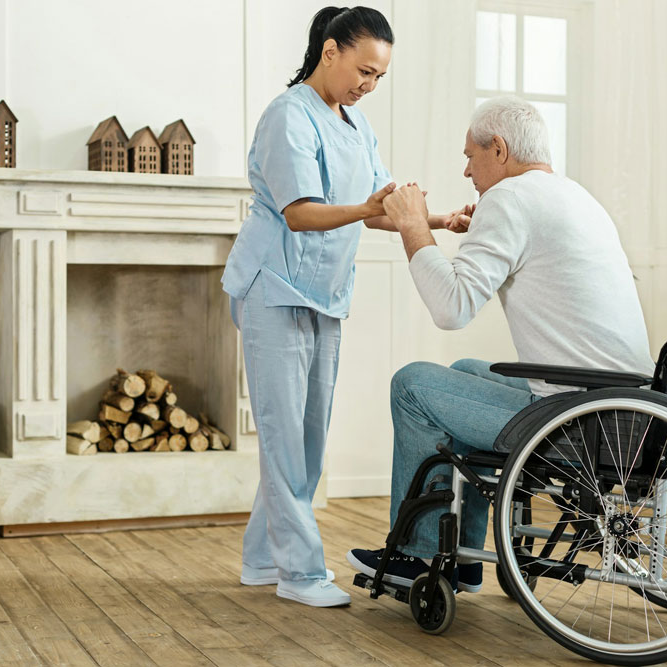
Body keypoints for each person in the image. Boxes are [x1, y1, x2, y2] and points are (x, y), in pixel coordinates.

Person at [346, 96, 654, 593]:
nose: (466, 170)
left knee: (412, 385)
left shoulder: (509, 200)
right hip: (622, 409)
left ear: (500, 149)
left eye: (470, 155)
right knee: (468, 367)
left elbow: (451, 309)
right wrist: (437, 227)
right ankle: (463, 558)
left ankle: (418, 556)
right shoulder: (572, 195)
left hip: (576, 421)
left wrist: (411, 227)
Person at [222, 6, 462, 608]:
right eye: (364, 70)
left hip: (324, 294)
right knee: (286, 440)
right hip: (272, 288)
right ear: (329, 51)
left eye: (379, 77)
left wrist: (437, 219)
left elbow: (380, 205)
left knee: (306, 439)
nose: (369, 85)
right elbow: (300, 213)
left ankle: (259, 560)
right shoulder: (287, 117)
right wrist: (361, 208)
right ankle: (300, 574)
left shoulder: (354, 125)